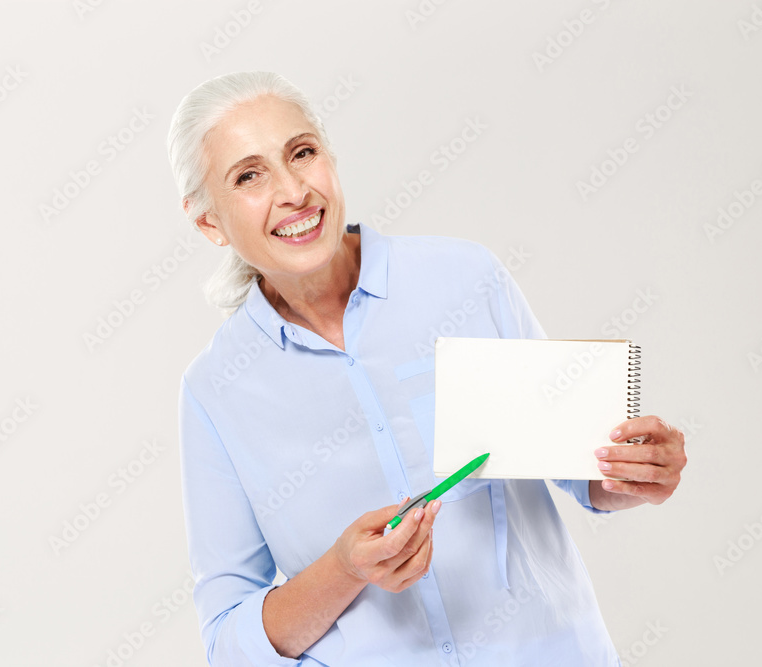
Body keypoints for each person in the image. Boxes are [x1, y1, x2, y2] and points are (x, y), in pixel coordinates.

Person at [168, 71, 687, 666]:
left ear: (329, 158)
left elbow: (581, 468)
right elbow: (228, 642)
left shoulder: (463, 278)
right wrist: (342, 571)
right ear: (208, 221)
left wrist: (637, 471)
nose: (293, 191)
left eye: (302, 153)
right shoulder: (214, 391)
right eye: (249, 176)